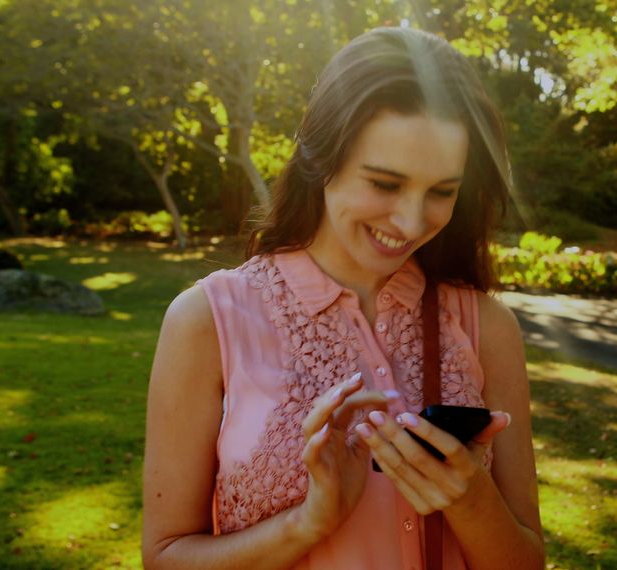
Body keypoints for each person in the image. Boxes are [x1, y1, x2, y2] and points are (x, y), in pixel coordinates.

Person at [141, 26, 545, 569]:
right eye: (383, 183)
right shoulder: (206, 322)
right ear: (320, 160)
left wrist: (470, 499)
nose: (409, 221)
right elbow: (165, 557)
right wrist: (307, 523)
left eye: (442, 192)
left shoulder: (486, 326)